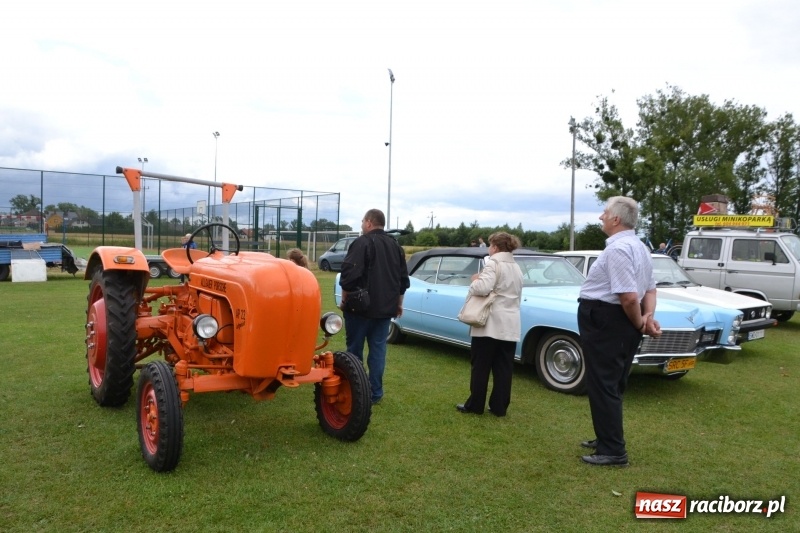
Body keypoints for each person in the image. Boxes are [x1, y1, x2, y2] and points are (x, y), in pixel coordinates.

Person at [577, 196, 662, 467]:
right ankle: (606, 437)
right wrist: (648, 317)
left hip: (609, 319)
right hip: (621, 319)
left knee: (602, 383)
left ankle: (613, 451)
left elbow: (628, 297)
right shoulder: (639, 247)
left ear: (615, 219)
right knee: (613, 381)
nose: (601, 217)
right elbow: (649, 289)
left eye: (604, 213)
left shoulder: (618, 249)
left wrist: (640, 322)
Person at [339, 209, 410, 405]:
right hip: (386, 308)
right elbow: (403, 280)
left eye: (363, 221)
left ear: (369, 222)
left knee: (354, 350)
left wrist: (344, 301)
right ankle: (375, 392)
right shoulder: (396, 246)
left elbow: (348, 276)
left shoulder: (361, 243)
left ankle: (355, 390)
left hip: (360, 308)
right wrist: (399, 304)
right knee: (378, 351)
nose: (362, 225)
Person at [456, 232, 524, 417]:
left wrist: (474, 281)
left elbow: (483, 287)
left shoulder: (493, 263)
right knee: (504, 367)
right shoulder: (516, 267)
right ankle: (499, 406)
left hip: (490, 321)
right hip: (510, 322)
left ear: (494, 246)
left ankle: (476, 404)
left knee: (481, 365)